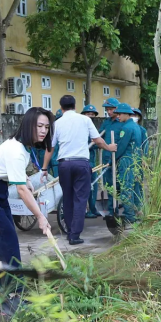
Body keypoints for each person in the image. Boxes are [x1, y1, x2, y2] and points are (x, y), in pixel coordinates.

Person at [0, 107, 53, 317]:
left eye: (46, 127)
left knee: (2, 240)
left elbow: (11, 171)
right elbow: (21, 191)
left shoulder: (20, 146)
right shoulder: (17, 150)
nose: (43, 131)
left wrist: (24, 178)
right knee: (6, 242)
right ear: (28, 125)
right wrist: (40, 216)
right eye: (39, 126)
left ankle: (1, 283)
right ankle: (12, 296)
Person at [42, 95, 115, 245]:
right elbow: (98, 140)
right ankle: (75, 235)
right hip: (81, 164)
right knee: (80, 199)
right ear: (75, 106)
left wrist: (44, 168)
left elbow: (50, 148)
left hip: (64, 165)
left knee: (67, 198)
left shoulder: (56, 123)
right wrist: (109, 147)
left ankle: (70, 231)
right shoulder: (85, 120)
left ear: (61, 108)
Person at [105, 103, 143, 226]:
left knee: (126, 189)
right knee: (135, 188)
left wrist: (112, 160)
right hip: (135, 161)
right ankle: (138, 213)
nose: (118, 116)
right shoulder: (136, 126)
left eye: (120, 114)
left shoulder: (126, 128)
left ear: (127, 114)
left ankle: (129, 216)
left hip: (126, 162)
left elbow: (121, 147)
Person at [82, 104, 103, 219]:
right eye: (88, 114)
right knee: (85, 187)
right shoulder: (80, 128)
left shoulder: (93, 128)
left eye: (92, 114)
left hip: (92, 162)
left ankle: (93, 209)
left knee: (93, 186)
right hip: (84, 161)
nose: (90, 116)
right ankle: (85, 210)